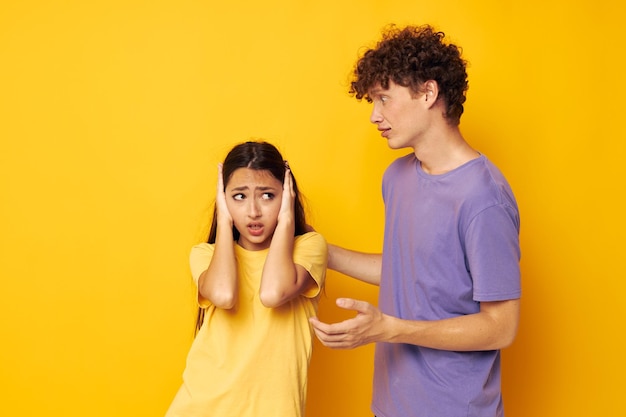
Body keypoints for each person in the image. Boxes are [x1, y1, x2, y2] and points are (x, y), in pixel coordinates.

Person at [309, 24, 521, 417]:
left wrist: (391, 329)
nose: (375, 115)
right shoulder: (397, 177)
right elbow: (410, 272)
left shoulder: (483, 198)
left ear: (428, 93)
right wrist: (320, 250)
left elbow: (501, 326)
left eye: (384, 99)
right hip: (390, 405)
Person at [166, 141, 327, 417]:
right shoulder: (205, 255)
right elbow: (224, 295)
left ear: (286, 195)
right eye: (239, 197)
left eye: (267, 196)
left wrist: (287, 220)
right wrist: (225, 222)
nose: (253, 211)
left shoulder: (308, 247)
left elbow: (273, 293)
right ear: (224, 199)